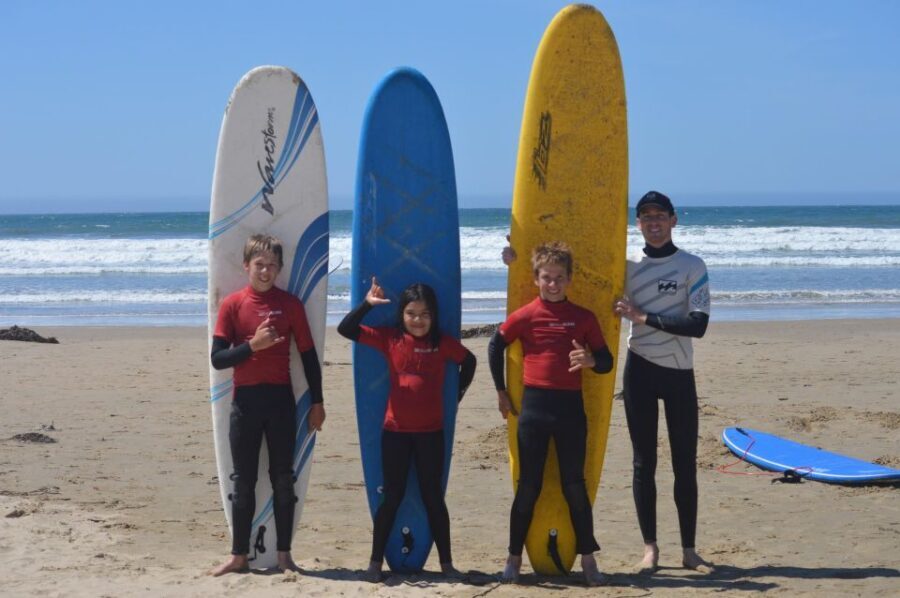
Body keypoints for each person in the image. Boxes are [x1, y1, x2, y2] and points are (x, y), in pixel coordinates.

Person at [488, 241, 613, 586]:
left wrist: (590, 361)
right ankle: (513, 558)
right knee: (528, 486)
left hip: (571, 410)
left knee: (575, 486)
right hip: (535, 410)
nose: (553, 283)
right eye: (546, 277)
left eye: (559, 277)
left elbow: (606, 362)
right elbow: (495, 344)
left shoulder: (583, 318)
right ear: (536, 278)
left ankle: (588, 560)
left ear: (569, 279)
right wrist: (501, 391)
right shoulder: (526, 315)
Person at [338, 277, 477, 582]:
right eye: (411, 313)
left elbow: (470, 361)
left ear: (434, 316)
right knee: (392, 497)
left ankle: (447, 564)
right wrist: (367, 305)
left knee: (433, 498)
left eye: (425, 314)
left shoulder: (442, 344)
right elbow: (346, 329)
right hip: (396, 432)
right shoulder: (390, 339)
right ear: (402, 314)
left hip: (431, 434)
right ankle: (375, 563)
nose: (418, 320)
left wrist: (456, 398)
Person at [208, 234, 326, 576]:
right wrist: (253, 346)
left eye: (272, 264)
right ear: (247, 266)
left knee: (283, 478)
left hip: (280, 402)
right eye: (259, 264)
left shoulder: (291, 305)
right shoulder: (232, 305)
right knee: (243, 481)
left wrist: (317, 401)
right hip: (244, 403)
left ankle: (285, 555)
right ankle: (239, 556)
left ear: (280, 268)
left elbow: (308, 356)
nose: (265, 270)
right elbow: (218, 359)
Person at [613, 191, 713, 574]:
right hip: (639, 370)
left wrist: (642, 317)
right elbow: (569, 274)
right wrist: (515, 258)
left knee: (684, 463)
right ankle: (650, 548)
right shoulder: (626, 265)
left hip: (678, 374)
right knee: (644, 463)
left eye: (660, 216)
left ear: (674, 220)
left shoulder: (691, 265)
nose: (653, 223)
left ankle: (688, 550)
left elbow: (698, 325)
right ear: (637, 223)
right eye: (645, 217)